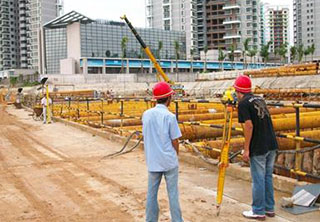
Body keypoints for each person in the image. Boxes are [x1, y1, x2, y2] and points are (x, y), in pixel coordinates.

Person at [234, 75, 278, 221]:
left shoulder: (243, 103)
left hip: (259, 146)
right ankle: (269, 208)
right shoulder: (259, 99)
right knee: (267, 177)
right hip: (271, 143)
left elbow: (249, 125)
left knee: (258, 178)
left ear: (238, 91)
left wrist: (246, 149)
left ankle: (258, 210)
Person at [142, 82, 183, 222]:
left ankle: (151, 219)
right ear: (169, 98)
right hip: (169, 161)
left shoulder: (146, 115)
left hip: (153, 160)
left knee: (151, 194)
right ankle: (177, 220)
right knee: (173, 194)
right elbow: (175, 140)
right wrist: (175, 156)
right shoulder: (169, 117)